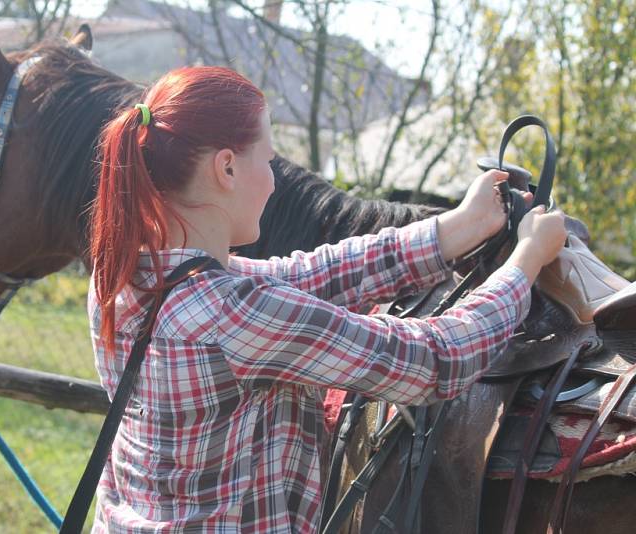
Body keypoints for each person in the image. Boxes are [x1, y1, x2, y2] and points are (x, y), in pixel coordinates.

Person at [87, 66, 567, 533]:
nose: (274, 180)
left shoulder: (123, 278)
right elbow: (433, 360)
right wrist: (524, 262)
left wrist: (461, 225)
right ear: (227, 167)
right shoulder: (232, 313)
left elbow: (311, 274)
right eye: (269, 160)